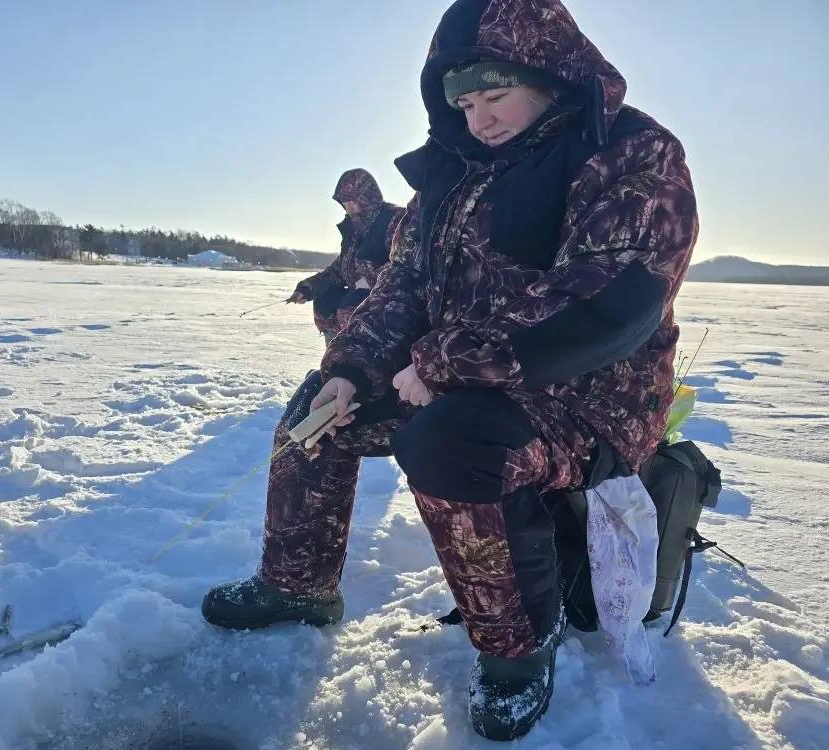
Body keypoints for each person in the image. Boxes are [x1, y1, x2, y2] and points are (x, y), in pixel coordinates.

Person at [203, 0, 698, 741]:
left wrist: (443, 362)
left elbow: (605, 301)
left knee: (452, 442)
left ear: (551, 75)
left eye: (496, 95)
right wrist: (354, 368)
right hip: (454, 376)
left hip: (585, 397)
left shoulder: (632, 154)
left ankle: (516, 652)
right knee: (317, 415)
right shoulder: (453, 171)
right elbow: (402, 285)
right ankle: (297, 586)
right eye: (464, 103)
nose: (479, 119)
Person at [289, 169, 403, 346]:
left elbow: (403, 262)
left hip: (391, 296)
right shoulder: (353, 228)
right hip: (359, 292)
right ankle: (336, 355)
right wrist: (309, 287)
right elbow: (340, 269)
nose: (348, 207)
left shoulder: (394, 219)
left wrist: (369, 281)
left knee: (351, 306)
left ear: (366, 196)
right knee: (325, 302)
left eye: (352, 200)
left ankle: (363, 359)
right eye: (344, 202)